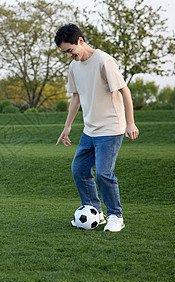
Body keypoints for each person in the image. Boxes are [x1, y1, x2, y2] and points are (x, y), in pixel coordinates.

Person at [54, 24, 139, 232]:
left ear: (80, 41)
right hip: (89, 130)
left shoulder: (104, 61)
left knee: (103, 173)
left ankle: (116, 216)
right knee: (79, 169)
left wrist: (130, 122)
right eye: (65, 52)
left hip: (110, 129)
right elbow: (76, 97)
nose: (68, 55)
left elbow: (124, 91)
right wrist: (67, 126)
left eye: (69, 50)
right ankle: (94, 211)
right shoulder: (74, 67)